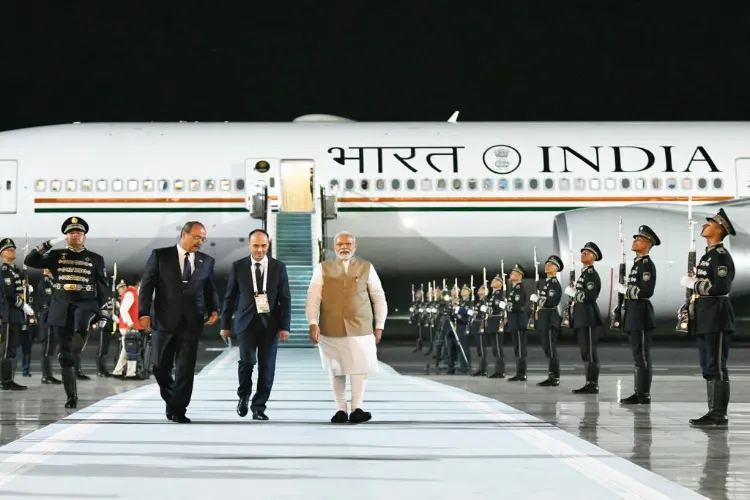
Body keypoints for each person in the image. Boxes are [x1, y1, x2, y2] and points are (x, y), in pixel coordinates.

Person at [138, 221, 220, 423]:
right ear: (184, 234)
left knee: (185, 368)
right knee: (159, 367)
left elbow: (209, 288)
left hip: (192, 322)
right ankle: (174, 402)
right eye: (197, 237)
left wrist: (214, 309)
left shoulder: (206, 261)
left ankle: (178, 410)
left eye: (203, 239)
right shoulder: (160, 256)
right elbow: (147, 286)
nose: (200, 242)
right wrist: (143, 313)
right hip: (163, 321)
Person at [24, 217, 111, 407]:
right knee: (65, 356)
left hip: (85, 304)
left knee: (81, 322)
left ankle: (81, 335)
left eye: (79, 232)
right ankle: (71, 396)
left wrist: (104, 310)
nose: (76, 235)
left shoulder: (95, 259)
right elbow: (29, 260)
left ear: (84, 237)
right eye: (72, 232)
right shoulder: (56, 255)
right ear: (66, 236)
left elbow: (103, 286)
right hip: (61, 305)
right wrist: (47, 245)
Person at [305, 231, 387, 424]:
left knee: (360, 368)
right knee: (337, 369)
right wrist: (312, 323)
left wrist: (380, 324)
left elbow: (378, 297)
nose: (344, 247)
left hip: (361, 326)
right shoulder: (323, 268)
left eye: (348, 244)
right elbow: (313, 297)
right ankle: (340, 410)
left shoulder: (367, 267)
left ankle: (357, 408)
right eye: (340, 244)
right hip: (330, 327)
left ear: (354, 247)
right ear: (335, 247)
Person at [221, 229, 291, 419]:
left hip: (270, 325)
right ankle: (243, 397)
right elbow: (229, 298)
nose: (260, 250)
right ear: (249, 245)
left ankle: (258, 407)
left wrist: (285, 326)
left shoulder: (278, 267)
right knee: (248, 361)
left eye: (264, 246)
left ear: (268, 245)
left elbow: (285, 299)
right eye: (256, 246)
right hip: (246, 323)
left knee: (267, 368)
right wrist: (224, 325)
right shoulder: (238, 267)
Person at [682, 208, 735, 427]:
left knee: (717, 366)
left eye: (710, 223)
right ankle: (713, 410)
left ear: (720, 229)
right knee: (708, 367)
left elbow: (720, 286)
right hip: (705, 315)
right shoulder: (707, 256)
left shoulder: (720, 257)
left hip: (717, 314)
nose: (705, 225)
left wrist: (694, 284)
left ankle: (719, 414)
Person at [617, 225, 660, 405]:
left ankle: (643, 394)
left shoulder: (647, 265)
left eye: (639, 239)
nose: (635, 241)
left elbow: (646, 291)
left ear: (648, 244)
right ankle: (639, 392)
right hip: (633, 314)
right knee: (637, 356)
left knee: (642, 356)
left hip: (641, 314)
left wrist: (626, 290)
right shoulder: (636, 264)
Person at [566, 241, 603, 395]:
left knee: (589, 351)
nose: (583, 253)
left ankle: (592, 383)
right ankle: (589, 382)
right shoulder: (583, 274)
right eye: (583, 252)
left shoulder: (592, 275)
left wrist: (575, 293)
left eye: (587, 252)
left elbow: (590, 296)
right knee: (585, 352)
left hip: (588, 316)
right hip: (581, 316)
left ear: (594, 257)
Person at [0, 238, 33, 390]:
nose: (12, 251)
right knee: (6, 349)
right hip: (7, 315)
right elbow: (9, 294)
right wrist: (23, 305)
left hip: (15, 315)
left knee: (12, 348)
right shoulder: (5, 271)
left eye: (13, 249)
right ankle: (5, 381)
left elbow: (20, 289)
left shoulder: (14, 271)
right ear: (2, 254)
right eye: (8, 250)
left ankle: (8, 379)